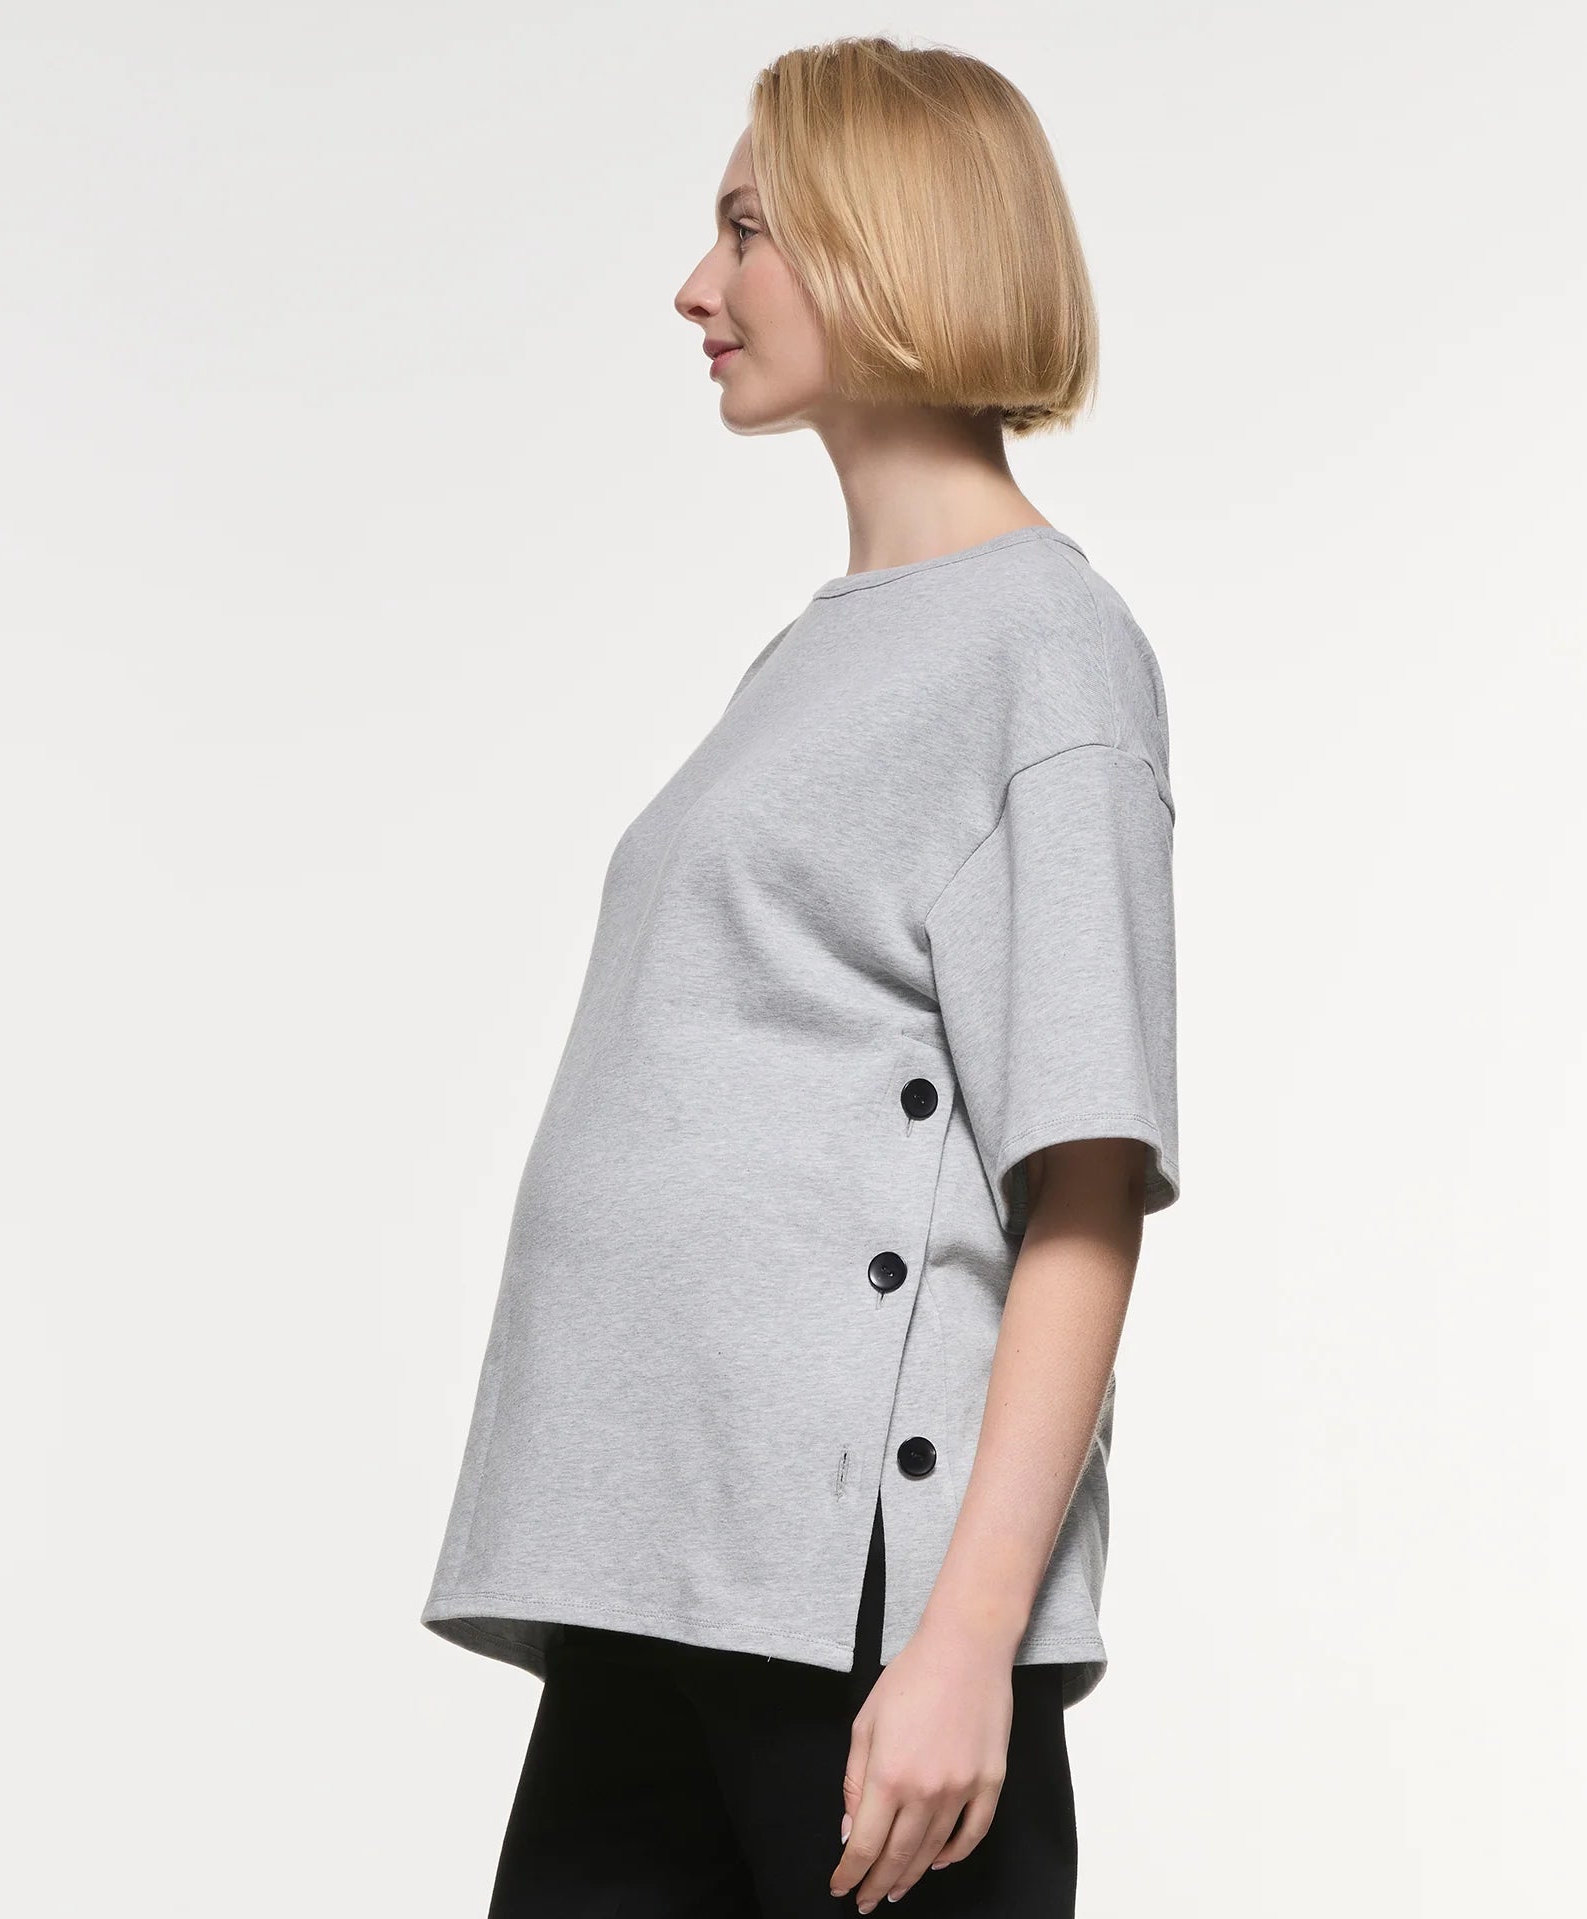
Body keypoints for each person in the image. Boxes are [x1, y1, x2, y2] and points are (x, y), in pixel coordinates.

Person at [420, 34, 1181, 1919]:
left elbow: (1085, 1184)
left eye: (746, 230)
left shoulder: (1046, 647)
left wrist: (964, 1644)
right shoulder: (825, 655)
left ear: (886, 246)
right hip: (663, 1578)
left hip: (857, 1603)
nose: (699, 286)